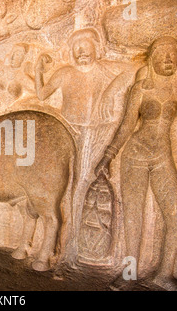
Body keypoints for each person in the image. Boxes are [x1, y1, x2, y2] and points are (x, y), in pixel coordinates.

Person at [94, 36, 177, 290]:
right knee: (133, 218)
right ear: (152, 58)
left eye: (172, 55)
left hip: (161, 156)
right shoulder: (141, 88)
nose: (168, 59)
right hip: (135, 155)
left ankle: (164, 274)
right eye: (162, 54)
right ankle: (130, 273)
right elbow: (126, 126)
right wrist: (107, 156)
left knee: (176, 219)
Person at [34, 28, 135, 263]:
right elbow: (41, 95)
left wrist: (112, 89)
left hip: (94, 135)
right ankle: (59, 246)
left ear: (96, 48)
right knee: (62, 186)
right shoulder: (65, 72)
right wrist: (38, 71)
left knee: (80, 186)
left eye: (86, 45)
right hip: (67, 132)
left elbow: (134, 69)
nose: (81, 51)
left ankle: (69, 250)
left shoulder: (105, 68)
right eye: (76, 47)